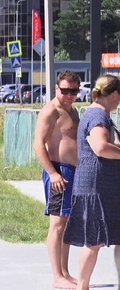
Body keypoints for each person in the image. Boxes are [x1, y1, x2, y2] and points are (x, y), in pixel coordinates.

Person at [63, 75, 120, 290]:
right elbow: (101, 147)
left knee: (103, 239)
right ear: (114, 94)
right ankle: (82, 286)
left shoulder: (93, 112)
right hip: (98, 188)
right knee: (94, 240)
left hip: (98, 186)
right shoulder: (98, 116)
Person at [33, 70, 81, 288]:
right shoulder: (51, 111)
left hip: (73, 172)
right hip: (59, 172)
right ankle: (57, 276)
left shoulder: (74, 111)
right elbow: (38, 145)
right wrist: (53, 173)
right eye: (65, 91)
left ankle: (65, 271)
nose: (69, 95)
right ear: (56, 89)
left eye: (73, 91)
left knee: (67, 224)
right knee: (57, 225)